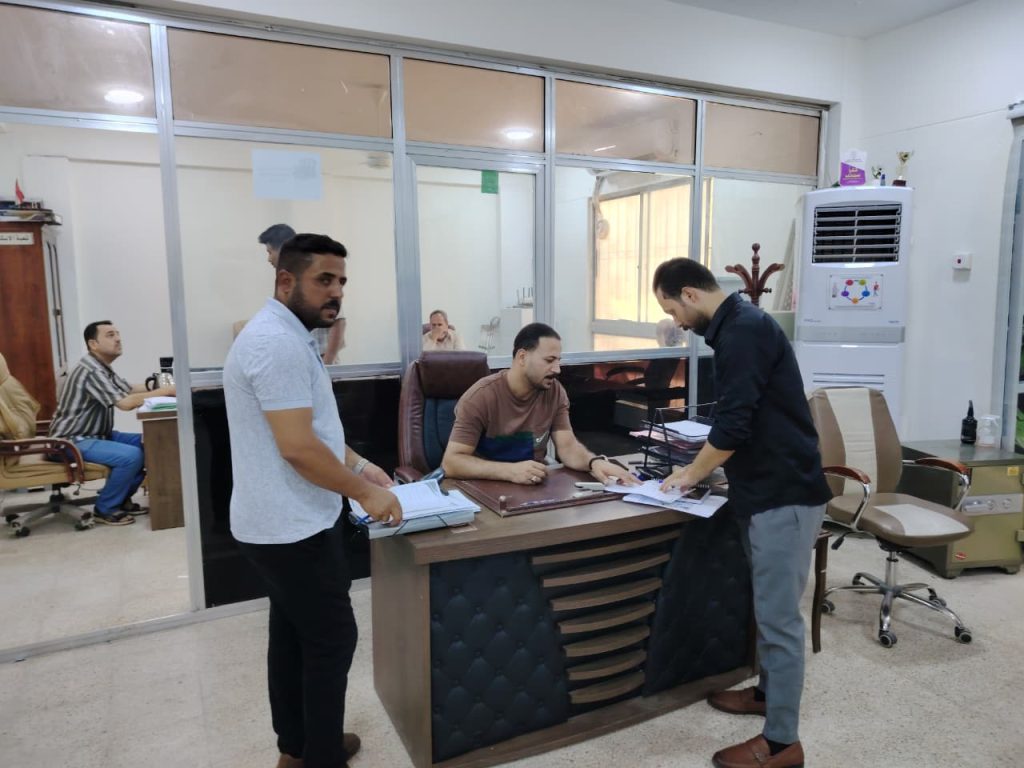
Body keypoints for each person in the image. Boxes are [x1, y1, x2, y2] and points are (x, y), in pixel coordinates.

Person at [224, 233, 401, 768]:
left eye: (341, 281)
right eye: (324, 279)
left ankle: (297, 747)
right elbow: (298, 448)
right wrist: (365, 492)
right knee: (331, 639)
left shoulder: (289, 334)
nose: (336, 291)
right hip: (290, 528)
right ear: (285, 280)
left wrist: (361, 465)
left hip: (284, 520)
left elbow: (314, 430)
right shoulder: (275, 344)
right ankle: (321, 756)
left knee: (292, 635)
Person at [651, 258, 832, 768]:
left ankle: (782, 743)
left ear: (690, 294)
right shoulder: (737, 327)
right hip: (763, 490)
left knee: (780, 620)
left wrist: (690, 474)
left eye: (672, 310)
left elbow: (734, 424)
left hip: (784, 496)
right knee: (767, 609)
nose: (676, 322)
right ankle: (767, 695)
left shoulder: (743, 331)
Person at [442, 322, 637, 487]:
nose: (557, 369)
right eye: (549, 360)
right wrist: (510, 471)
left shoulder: (554, 392)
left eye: (558, 361)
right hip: (484, 489)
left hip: (532, 487)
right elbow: (452, 462)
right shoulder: (481, 397)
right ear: (522, 357)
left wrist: (594, 462)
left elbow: (568, 447)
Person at [48, 321, 176, 525]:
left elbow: (127, 388)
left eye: (117, 334)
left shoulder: (100, 367)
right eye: (110, 335)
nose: (118, 339)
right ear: (93, 344)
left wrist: (157, 383)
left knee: (150, 442)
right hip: (70, 441)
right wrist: (165, 391)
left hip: (97, 435)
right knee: (131, 456)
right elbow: (125, 403)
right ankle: (105, 508)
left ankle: (121, 499)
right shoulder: (91, 371)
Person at [258, 224, 345, 364]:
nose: (338, 294)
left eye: (270, 252)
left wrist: (327, 363)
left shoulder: (317, 280)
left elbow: (339, 324)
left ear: (282, 249)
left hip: (321, 359)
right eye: (325, 281)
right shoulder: (271, 338)